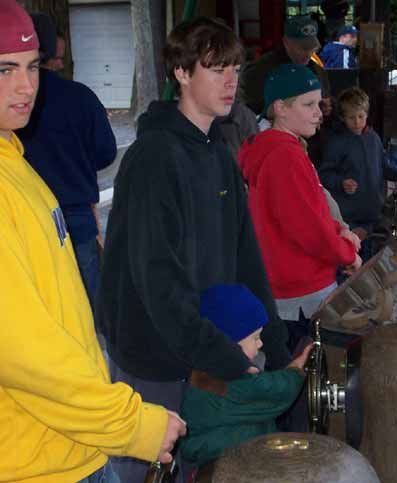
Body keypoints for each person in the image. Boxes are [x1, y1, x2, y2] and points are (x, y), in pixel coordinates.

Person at [97, 16, 290, 483]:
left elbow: (246, 257)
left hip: (205, 349)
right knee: (147, 473)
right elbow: (158, 282)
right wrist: (225, 357)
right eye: (216, 68)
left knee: (202, 466)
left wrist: (277, 346)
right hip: (154, 355)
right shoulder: (154, 158)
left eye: (236, 69)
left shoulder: (218, 154)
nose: (231, 81)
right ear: (182, 74)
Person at [0, 2, 186, 482]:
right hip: (39, 463)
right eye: (5, 69)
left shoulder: (16, 163)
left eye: (32, 67)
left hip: (63, 444)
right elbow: (23, 353)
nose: (26, 87)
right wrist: (131, 423)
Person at [238, 64, 361, 357]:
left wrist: (339, 231)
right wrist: (347, 252)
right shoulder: (284, 156)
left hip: (284, 285)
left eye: (318, 103)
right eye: (308, 105)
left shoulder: (275, 148)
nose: (319, 112)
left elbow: (311, 210)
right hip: (301, 293)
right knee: (308, 376)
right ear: (280, 107)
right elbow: (309, 230)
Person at [18, 13, 116, 312]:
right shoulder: (80, 97)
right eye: (59, 57)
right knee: (89, 305)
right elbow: (106, 152)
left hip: (25, 220)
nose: (62, 63)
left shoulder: (12, 105)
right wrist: (77, 167)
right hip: (77, 217)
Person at [180, 284, 312, 467]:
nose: (260, 343)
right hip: (221, 462)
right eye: (254, 337)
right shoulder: (219, 382)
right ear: (228, 343)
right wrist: (296, 372)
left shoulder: (207, 370)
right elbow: (269, 393)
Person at [319, 87, 397, 261]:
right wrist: (341, 182)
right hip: (350, 216)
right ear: (342, 117)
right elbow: (323, 175)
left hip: (373, 213)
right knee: (350, 261)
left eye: (361, 116)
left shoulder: (374, 138)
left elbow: (383, 164)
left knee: (374, 261)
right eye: (351, 117)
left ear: (367, 114)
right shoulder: (336, 142)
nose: (357, 122)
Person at [241, 15, 331, 118]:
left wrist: (326, 107)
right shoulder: (262, 69)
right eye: (302, 48)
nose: (308, 54)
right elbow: (249, 107)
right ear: (286, 42)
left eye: (311, 48)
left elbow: (326, 98)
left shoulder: (317, 71)